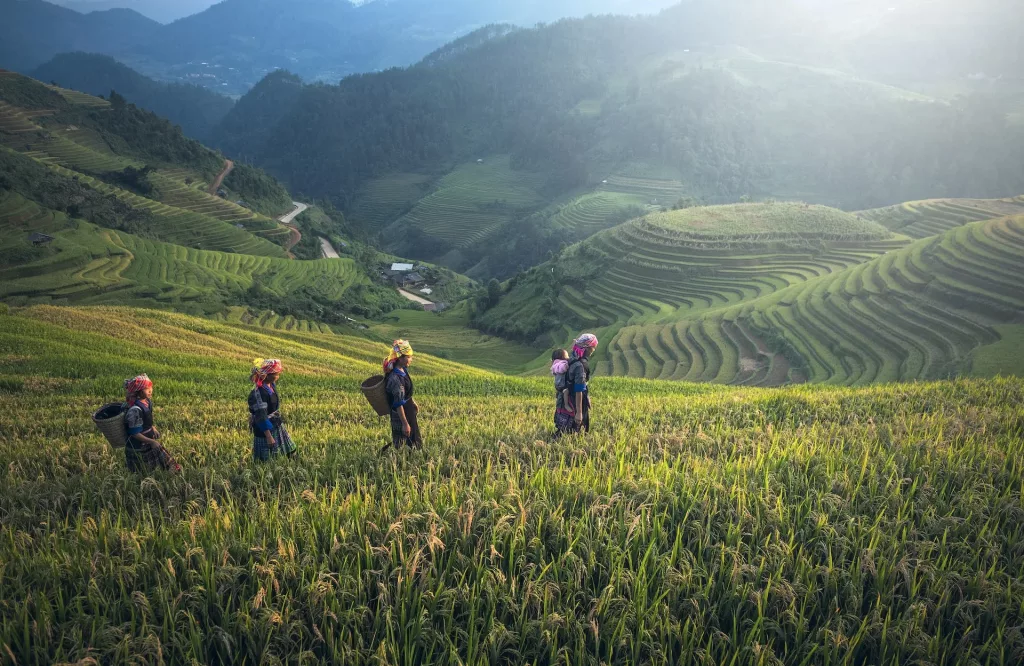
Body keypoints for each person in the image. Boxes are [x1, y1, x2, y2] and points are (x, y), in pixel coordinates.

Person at [123, 374, 181, 474]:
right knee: (141, 469)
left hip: (147, 439)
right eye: (146, 389)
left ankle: (172, 471)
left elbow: (147, 420)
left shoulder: (147, 402)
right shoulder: (135, 410)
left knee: (159, 460)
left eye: (151, 387)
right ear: (139, 392)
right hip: (138, 444)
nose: (150, 390)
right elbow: (134, 433)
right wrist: (151, 441)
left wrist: (153, 428)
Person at [248, 358, 297, 462]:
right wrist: (269, 436)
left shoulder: (270, 385)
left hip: (276, 423)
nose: (278, 376)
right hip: (264, 429)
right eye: (276, 374)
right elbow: (261, 416)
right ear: (268, 376)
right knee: (265, 458)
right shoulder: (258, 393)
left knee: (291, 450)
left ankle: (294, 465)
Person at [383, 340, 422, 451]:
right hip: (400, 414)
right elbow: (398, 403)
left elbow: (406, 392)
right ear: (400, 358)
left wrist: (412, 402)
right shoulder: (395, 379)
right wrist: (405, 423)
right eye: (408, 357)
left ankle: (413, 457)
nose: (411, 359)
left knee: (413, 438)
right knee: (402, 439)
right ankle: (398, 462)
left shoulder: (403, 369)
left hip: (408, 409)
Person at [566, 333, 599, 434]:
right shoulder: (581, 365)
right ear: (587, 348)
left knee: (567, 427)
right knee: (579, 429)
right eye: (593, 348)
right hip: (577, 400)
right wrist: (579, 413)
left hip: (568, 397)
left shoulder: (572, 357)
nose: (594, 350)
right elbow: (579, 389)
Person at [551, 349, 575, 436]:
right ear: (562, 357)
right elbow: (564, 368)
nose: (568, 358)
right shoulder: (561, 364)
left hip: (559, 385)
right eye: (566, 356)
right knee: (566, 392)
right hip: (561, 385)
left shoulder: (556, 363)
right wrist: (569, 362)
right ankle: (566, 405)